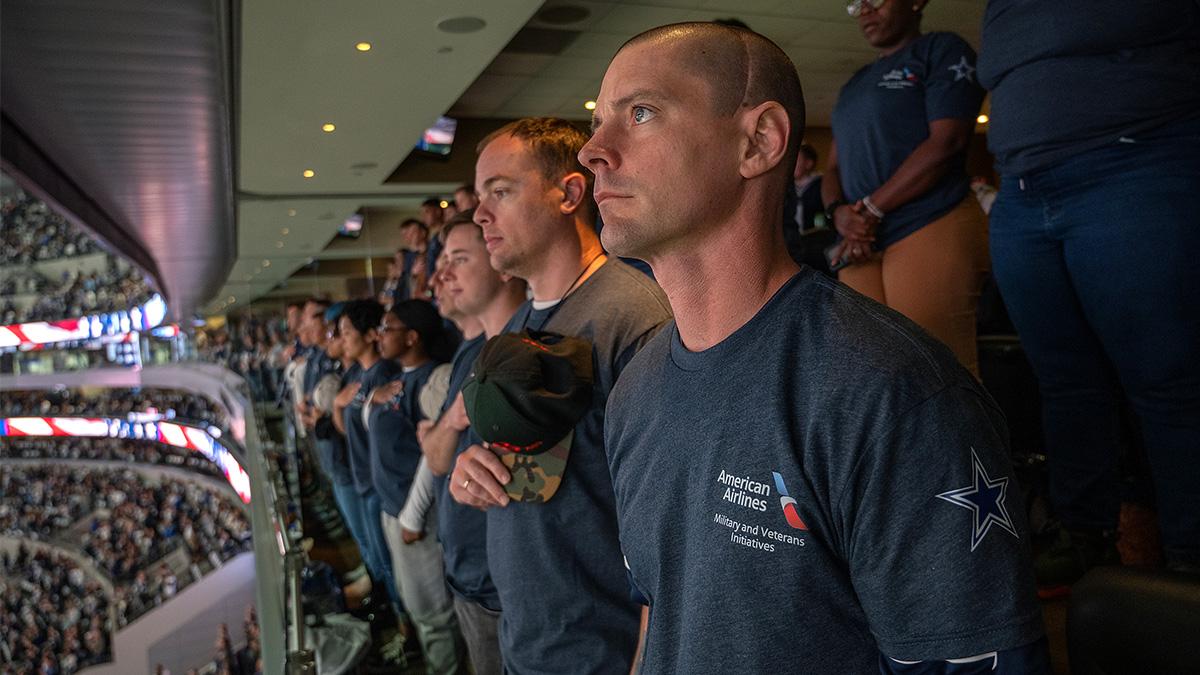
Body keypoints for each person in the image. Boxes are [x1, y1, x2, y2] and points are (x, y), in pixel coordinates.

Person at [579, 21, 1046, 673]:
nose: (593, 151)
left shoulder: (891, 393)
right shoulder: (634, 391)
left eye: (641, 112)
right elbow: (663, 612)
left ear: (758, 142)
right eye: (599, 122)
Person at [977, 0, 1200, 582]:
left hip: (1134, 165)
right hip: (1021, 190)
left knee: (1167, 378)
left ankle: (1187, 559)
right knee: (1064, 381)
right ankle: (1085, 536)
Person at [449, 116, 672, 674]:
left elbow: (670, 524)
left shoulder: (635, 317)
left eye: (499, 191)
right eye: (479, 197)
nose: (479, 215)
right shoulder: (519, 323)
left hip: (603, 653)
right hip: (528, 641)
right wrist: (471, 468)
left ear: (570, 193)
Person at [823, 0, 989, 376]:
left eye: (875, 1)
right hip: (862, 240)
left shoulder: (941, 50)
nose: (864, 10)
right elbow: (833, 165)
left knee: (935, 368)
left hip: (929, 219)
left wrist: (870, 209)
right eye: (856, 5)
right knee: (869, 370)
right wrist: (840, 214)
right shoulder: (854, 83)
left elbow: (946, 142)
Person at [421, 214, 527, 675]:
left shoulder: (532, 349)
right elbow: (439, 459)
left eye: (458, 259)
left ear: (502, 264)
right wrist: (452, 421)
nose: (442, 274)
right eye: (443, 261)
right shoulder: (469, 352)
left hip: (508, 593)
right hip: (466, 578)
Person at [365, 299, 462, 674]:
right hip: (395, 509)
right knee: (415, 603)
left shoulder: (435, 377)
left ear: (412, 336)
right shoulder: (395, 379)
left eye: (387, 328)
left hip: (416, 514)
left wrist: (413, 513)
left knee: (433, 612)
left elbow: (432, 455)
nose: (379, 335)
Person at [332, 300, 404, 618]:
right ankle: (389, 611)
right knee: (375, 556)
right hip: (361, 477)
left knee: (389, 562)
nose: (342, 338)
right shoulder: (357, 374)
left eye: (347, 331)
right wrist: (336, 406)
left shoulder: (384, 372)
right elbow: (350, 429)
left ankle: (404, 627)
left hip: (378, 482)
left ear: (369, 334)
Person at [783, 143, 834, 276]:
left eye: (797, 160)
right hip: (793, 243)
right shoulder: (787, 187)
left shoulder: (822, 185)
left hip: (817, 241)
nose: (792, 164)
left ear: (809, 163)